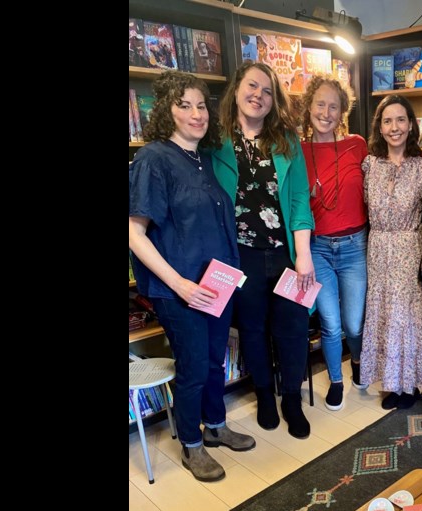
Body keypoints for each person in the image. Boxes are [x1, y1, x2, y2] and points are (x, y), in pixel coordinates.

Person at [129, 71, 256, 482]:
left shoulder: (204, 158)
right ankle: (192, 444)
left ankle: (216, 426)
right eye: (184, 105)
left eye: (201, 105)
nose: (196, 113)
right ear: (167, 110)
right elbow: (134, 232)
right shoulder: (153, 158)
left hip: (217, 285)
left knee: (215, 362)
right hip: (180, 291)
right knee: (194, 366)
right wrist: (179, 284)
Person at [210, 62, 315, 439]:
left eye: (267, 91)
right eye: (252, 86)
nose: (259, 95)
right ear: (237, 89)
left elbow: (300, 199)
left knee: (293, 329)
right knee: (252, 330)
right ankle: (265, 396)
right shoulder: (215, 141)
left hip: (286, 253)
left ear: (274, 100)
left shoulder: (286, 140)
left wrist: (303, 255)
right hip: (241, 256)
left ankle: (291, 399)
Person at [299, 74, 369, 411]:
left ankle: (356, 361)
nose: (326, 112)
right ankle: (336, 381)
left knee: (354, 323)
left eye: (334, 106)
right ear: (309, 107)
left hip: (355, 246)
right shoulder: (297, 151)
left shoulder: (357, 144)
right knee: (330, 323)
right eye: (320, 104)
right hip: (318, 249)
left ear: (342, 112)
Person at [361, 96, 422, 409]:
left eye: (401, 119)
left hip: (408, 249)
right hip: (377, 249)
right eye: (387, 121)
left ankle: (410, 385)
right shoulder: (368, 165)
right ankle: (391, 383)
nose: (394, 127)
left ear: (411, 124)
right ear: (380, 126)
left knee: (407, 318)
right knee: (383, 315)